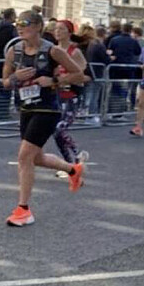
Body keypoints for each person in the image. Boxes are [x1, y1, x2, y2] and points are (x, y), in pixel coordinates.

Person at [0, 11, 86, 226]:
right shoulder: (14, 51)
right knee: (36, 158)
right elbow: (5, 83)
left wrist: (54, 80)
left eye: (25, 23)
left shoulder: (52, 51)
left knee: (24, 157)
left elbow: (79, 74)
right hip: (26, 108)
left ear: (38, 26)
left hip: (47, 109)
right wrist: (14, 77)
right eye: (18, 23)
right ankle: (73, 169)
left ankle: (23, 210)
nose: (20, 27)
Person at [51, 20, 89, 175]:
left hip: (71, 95)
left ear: (69, 32)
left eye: (61, 29)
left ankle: (77, 155)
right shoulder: (53, 50)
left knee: (60, 129)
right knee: (56, 133)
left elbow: (85, 75)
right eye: (56, 29)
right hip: (56, 95)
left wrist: (66, 78)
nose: (57, 31)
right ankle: (70, 165)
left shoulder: (75, 52)